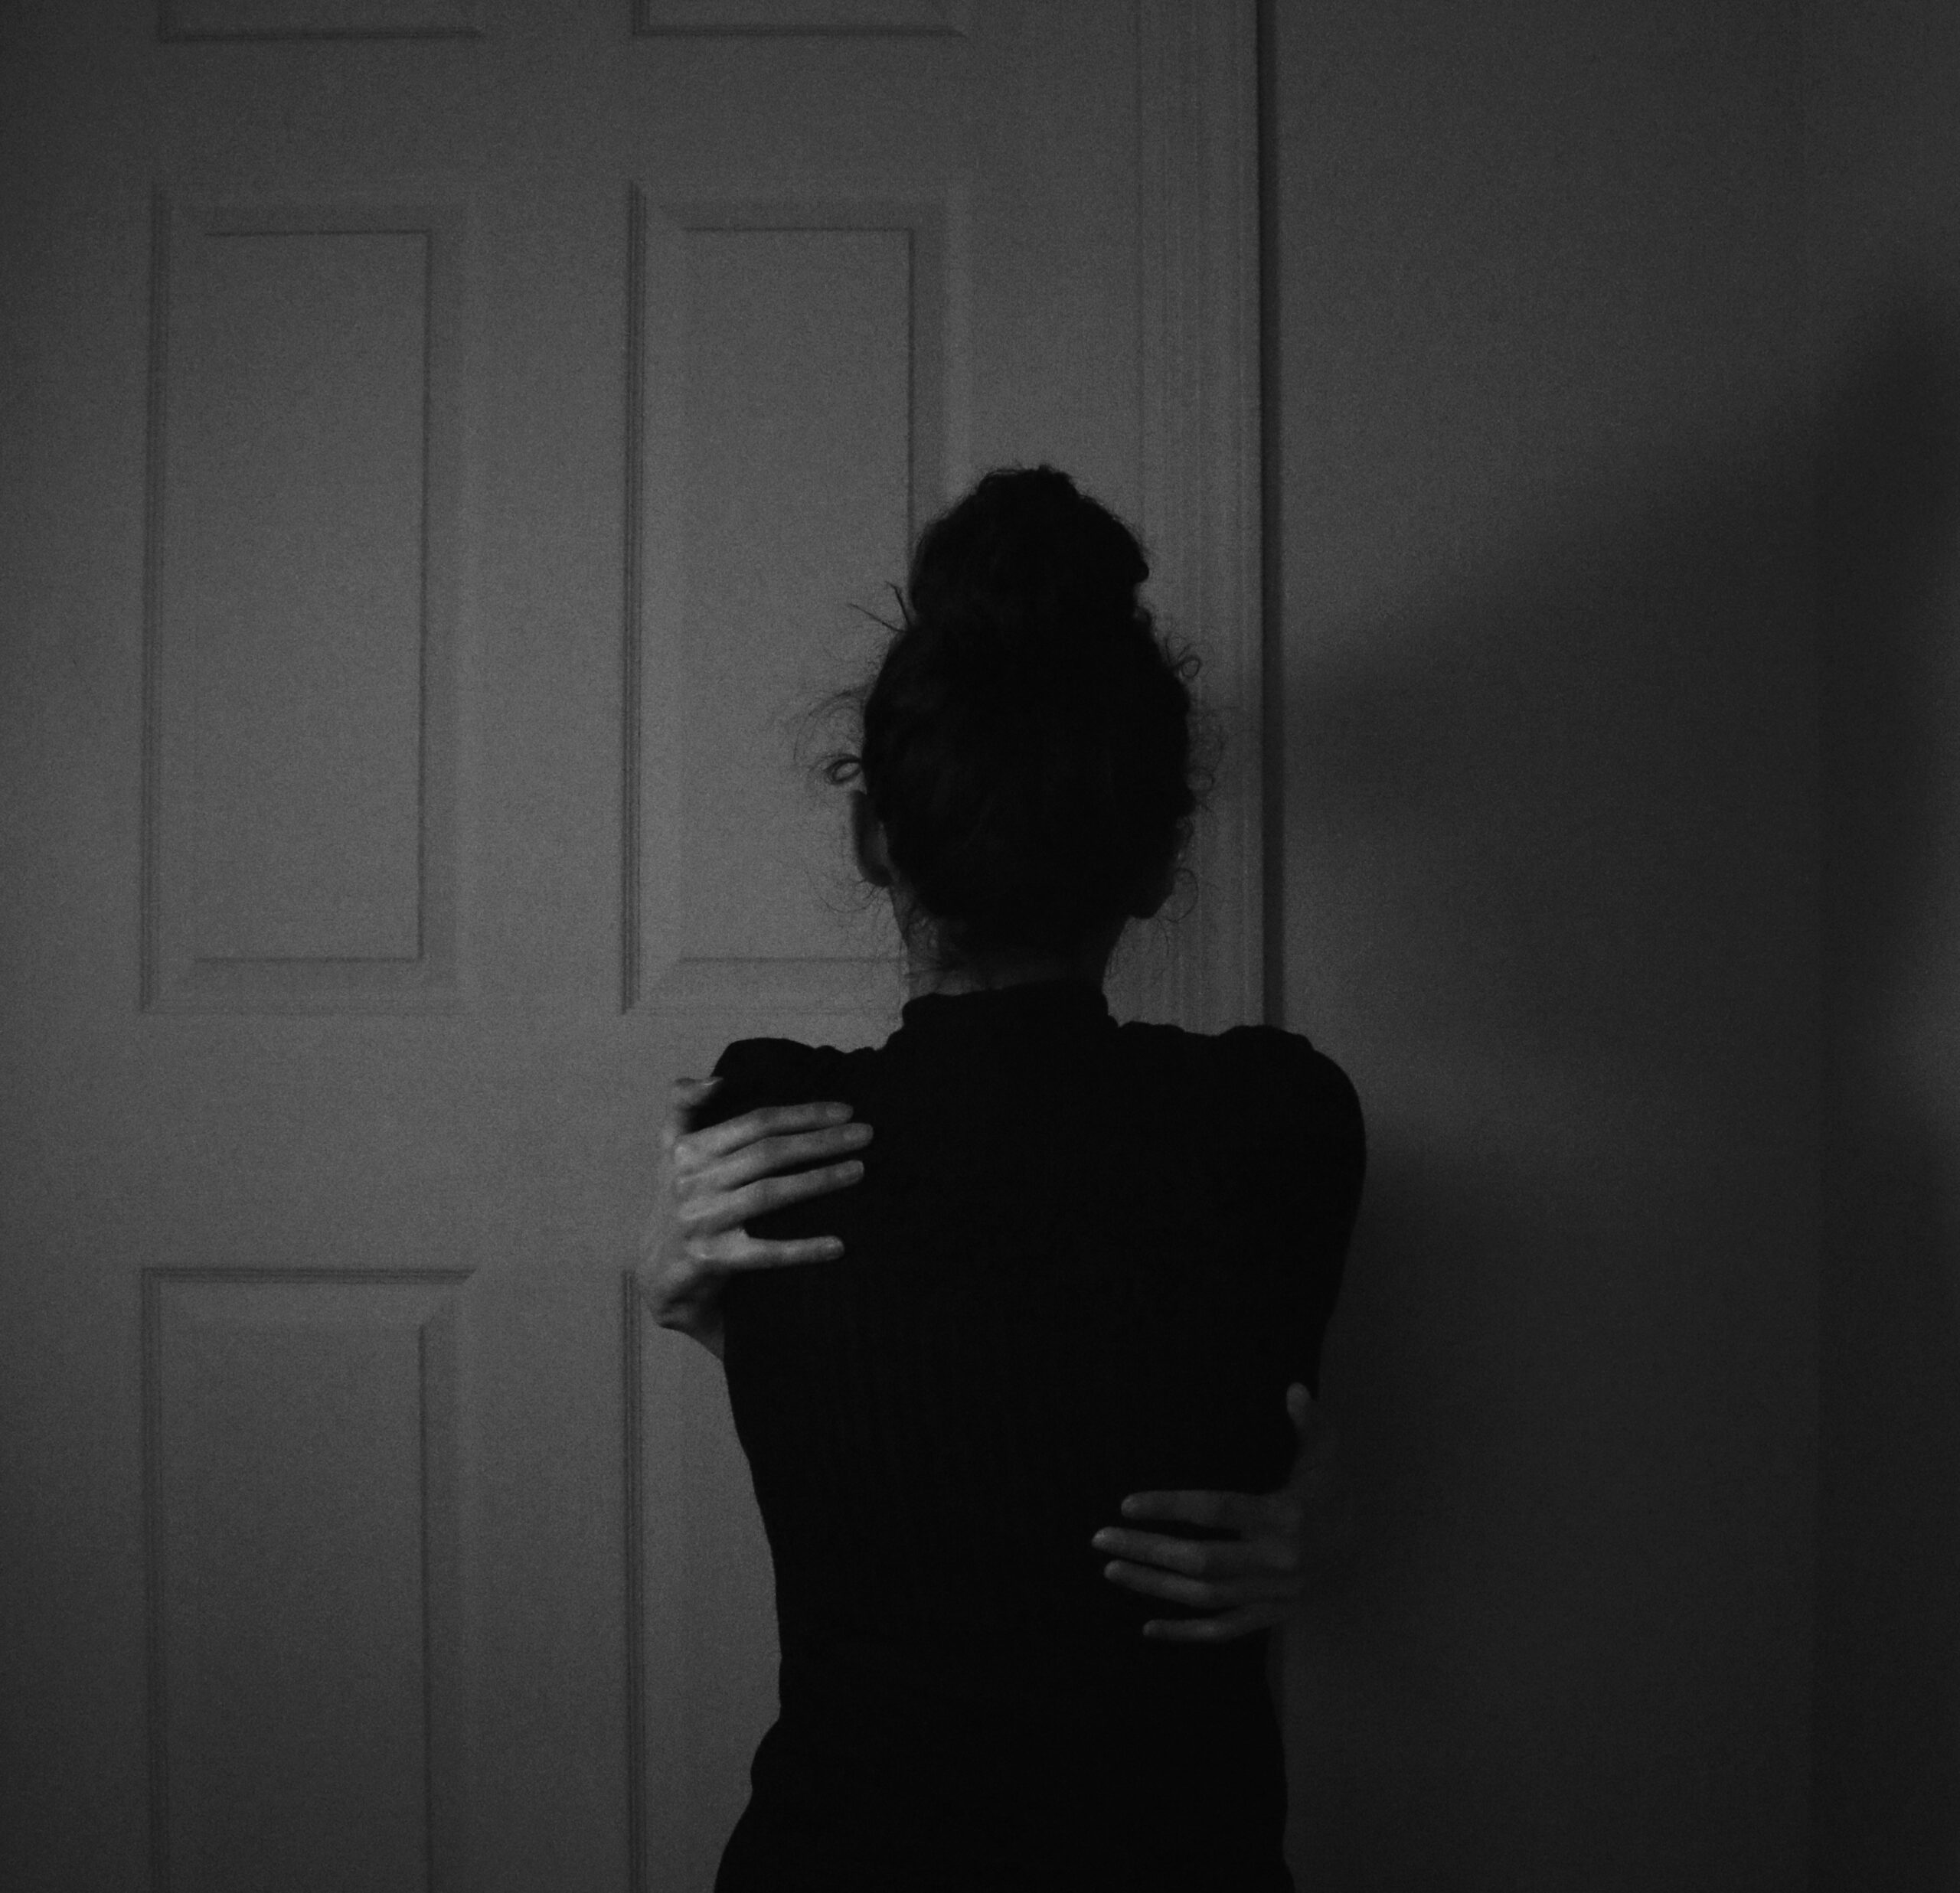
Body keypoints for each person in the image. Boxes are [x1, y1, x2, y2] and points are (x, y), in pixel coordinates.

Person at [644, 465, 1365, 1890]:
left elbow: (943, 1390)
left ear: (872, 835)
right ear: (1159, 860)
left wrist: (707, 1311)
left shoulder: (765, 1122)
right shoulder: (1281, 1123)